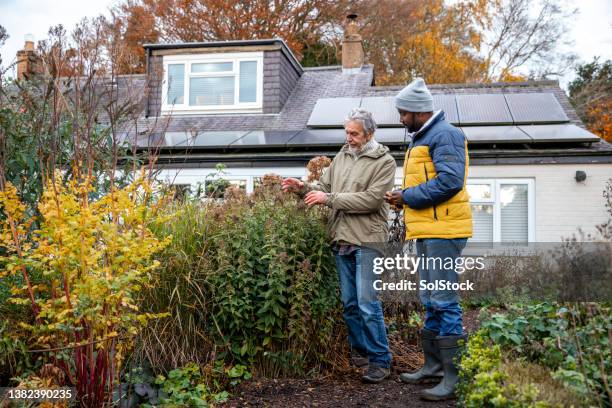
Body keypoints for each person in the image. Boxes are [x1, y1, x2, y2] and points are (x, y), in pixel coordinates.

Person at [282, 108, 395, 384]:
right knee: (350, 304)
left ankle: (381, 361)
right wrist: (301, 187)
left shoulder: (385, 162)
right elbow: (322, 187)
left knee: (368, 303)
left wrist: (329, 198)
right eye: (347, 132)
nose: (349, 138)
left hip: (368, 239)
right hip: (342, 238)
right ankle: (362, 353)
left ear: (369, 134)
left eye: (354, 133)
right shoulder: (342, 156)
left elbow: (370, 200)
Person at [384, 78, 473, 401]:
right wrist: (403, 198)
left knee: (445, 301)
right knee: (430, 299)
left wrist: (406, 197)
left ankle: (453, 378)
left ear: (419, 112)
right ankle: (434, 367)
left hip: (444, 231)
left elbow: (451, 182)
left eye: (403, 113)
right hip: (428, 230)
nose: (400, 119)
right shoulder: (423, 137)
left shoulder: (446, 135)